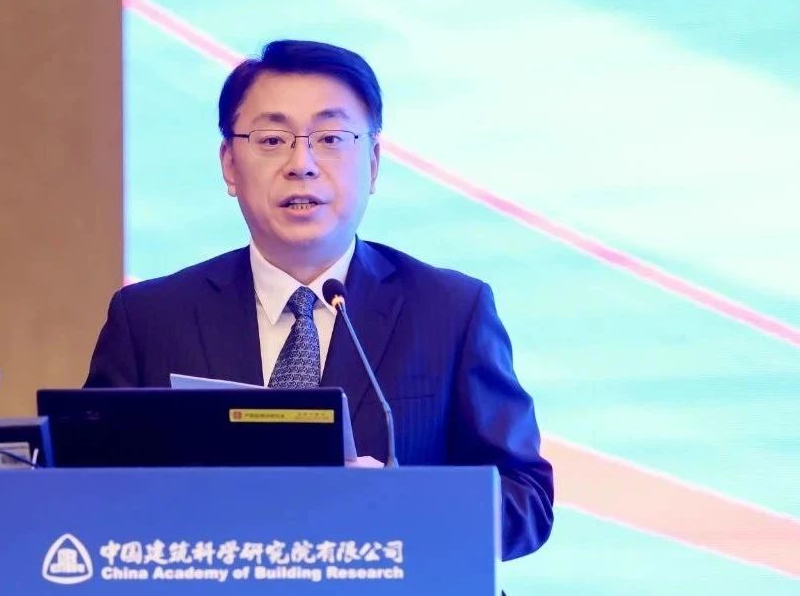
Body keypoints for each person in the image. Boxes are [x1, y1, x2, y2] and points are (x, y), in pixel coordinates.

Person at [84, 39, 554, 560]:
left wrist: (406, 504)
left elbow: (527, 502)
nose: (301, 164)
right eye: (271, 139)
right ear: (229, 165)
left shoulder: (451, 310)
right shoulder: (150, 319)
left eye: (330, 138)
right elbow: (84, 492)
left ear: (373, 162)